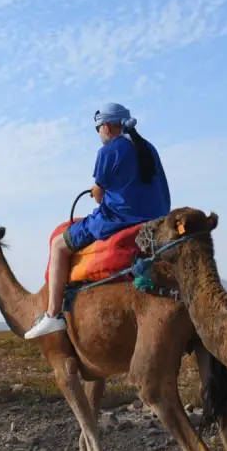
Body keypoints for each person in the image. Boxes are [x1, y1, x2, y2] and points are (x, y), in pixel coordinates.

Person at [25, 103, 171, 339]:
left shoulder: (109, 151)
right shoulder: (149, 148)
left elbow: (99, 194)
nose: (99, 134)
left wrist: (95, 192)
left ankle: (53, 314)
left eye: (98, 129)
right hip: (157, 218)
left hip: (118, 219)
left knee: (58, 246)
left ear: (105, 126)